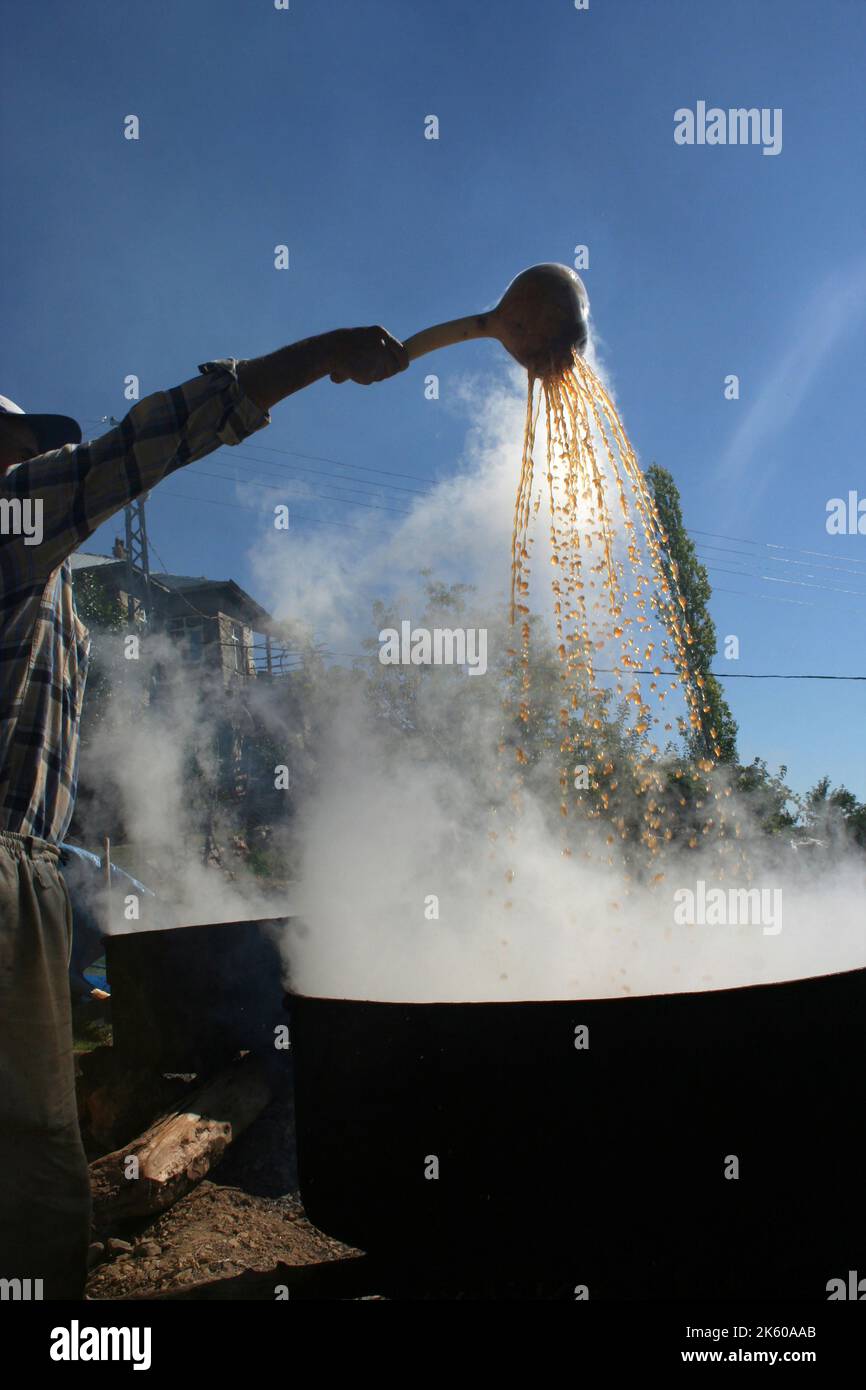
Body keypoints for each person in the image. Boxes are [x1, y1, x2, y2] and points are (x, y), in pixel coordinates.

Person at [0, 327, 408, 1298]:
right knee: (30, 1172)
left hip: (31, 861)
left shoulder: (41, 575)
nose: (35, 466)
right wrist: (314, 358)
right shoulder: (15, 520)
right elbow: (151, 439)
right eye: (21, 453)